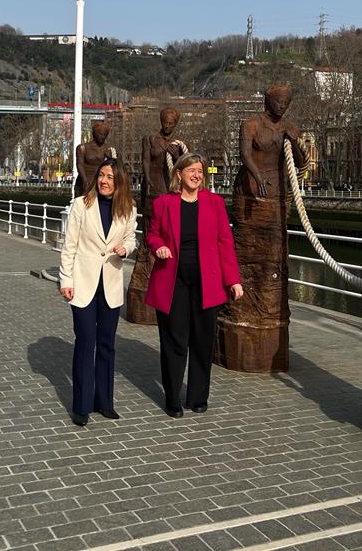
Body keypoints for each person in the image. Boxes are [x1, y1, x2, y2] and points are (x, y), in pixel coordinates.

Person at [215, 83, 304, 373]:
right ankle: (240, 307)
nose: (283, 106)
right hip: (251, 191)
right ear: (268, 100)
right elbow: (244, 154)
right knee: (246, 250)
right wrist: (256, 176)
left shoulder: (288, 128)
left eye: (287, 102)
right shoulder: (250, 124)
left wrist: (297, 143)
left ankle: (269, 311)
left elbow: (301, 164)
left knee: (274, 255)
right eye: (279, 101)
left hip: (277, 195)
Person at [145, 153, 243, 417]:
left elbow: (225, 243)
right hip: (173, 280)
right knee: (174, 342)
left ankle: (198, 397)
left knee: (202, 341)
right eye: (191, 170)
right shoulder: (164, 204)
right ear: (179, 174)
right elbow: (151, 235)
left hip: (207, 282)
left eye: (200, 171)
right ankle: (173, 398)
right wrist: (159, 246)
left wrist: (233, 280)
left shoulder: (215, 204)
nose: (196, 174)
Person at [58, 157, 137, 426]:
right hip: (83, 284)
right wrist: (65, 280)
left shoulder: (127, 208)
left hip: (111, 285)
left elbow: (130, 237)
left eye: (110, 177)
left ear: (119, 182)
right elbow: (69, 246)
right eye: (102, 175)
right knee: (85, 342)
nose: (104, 181)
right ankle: (81, 405)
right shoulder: (82, 205)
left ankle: (104, 402)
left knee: (106, 345)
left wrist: (126, 249)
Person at [127, 107, 187, 324]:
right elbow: (145, 161)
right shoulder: (150, 139)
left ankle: (165, 277)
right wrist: (148, 182)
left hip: (168, 191)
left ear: (176, 124)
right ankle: (147, 273)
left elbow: (183, 168)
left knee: (168, 234)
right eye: (165, 121)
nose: (167, 125)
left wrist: (177, 155)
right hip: (151, 190)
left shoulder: (178, 146)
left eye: (171, 123)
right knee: (150, 233)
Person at [74, 122, 115, 197]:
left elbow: (115, 165)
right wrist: (85, 181)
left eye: (105, 135)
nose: (103, 137)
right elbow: (80, 165)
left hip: (100, 180)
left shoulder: (108, 149)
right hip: (85, 179)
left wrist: (110, 158)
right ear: (94, 134)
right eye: (100, 134)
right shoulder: (82, 148)